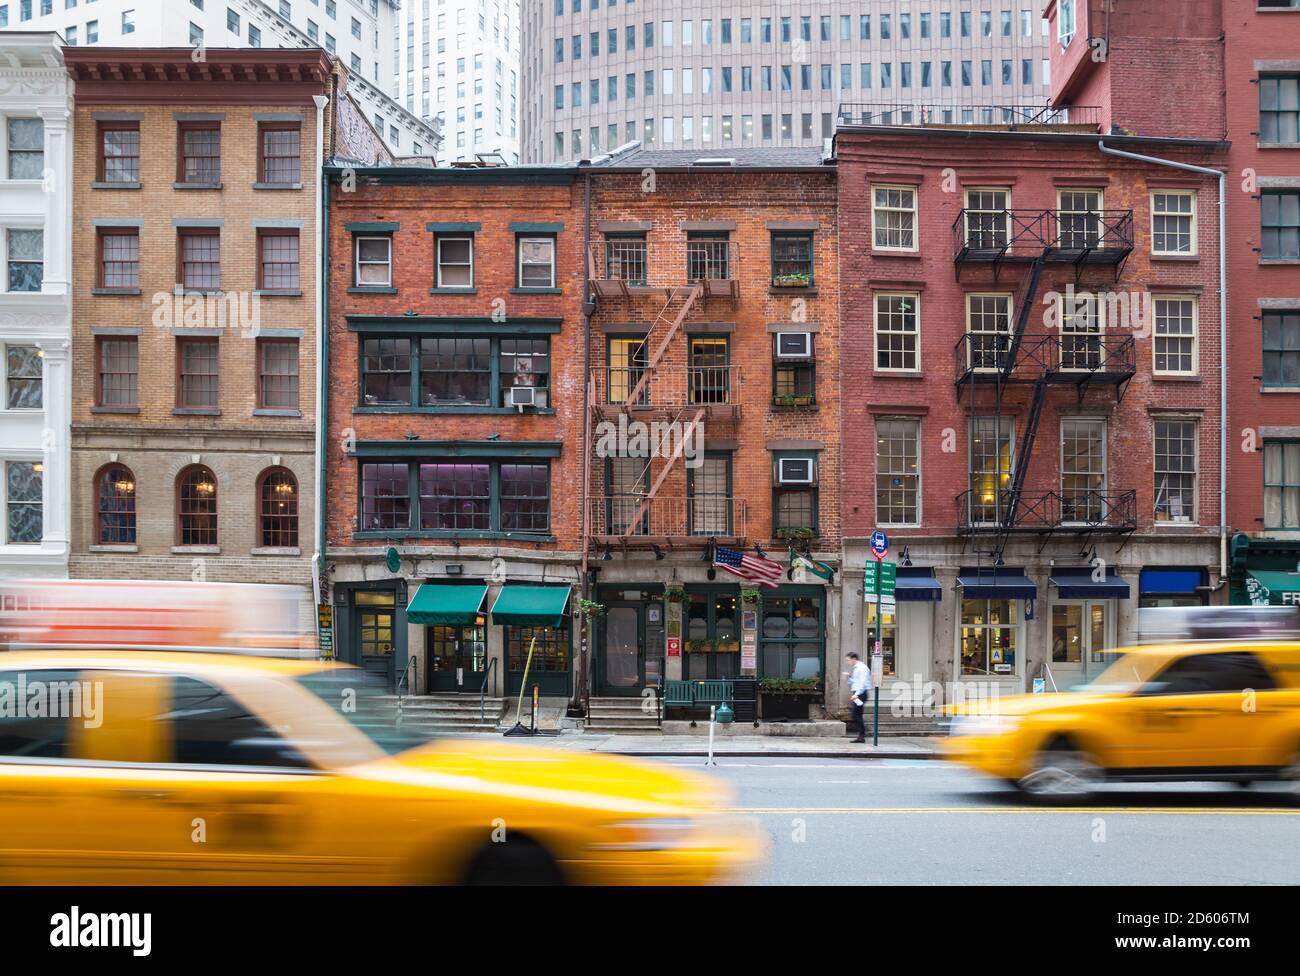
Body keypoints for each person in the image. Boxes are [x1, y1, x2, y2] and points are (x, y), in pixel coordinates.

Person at [845, 651, 870, 743]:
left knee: (856, 714)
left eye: (848, 660)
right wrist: (849, 677)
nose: (847, 662)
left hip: (860, 694)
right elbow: (855, 682)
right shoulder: (856, 668)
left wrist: (856, 694)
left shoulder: (861, 668)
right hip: (859, 693)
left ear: (854, 659)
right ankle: (861, 736)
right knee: (857, 714)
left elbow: (862, 683)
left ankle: (862, 735)